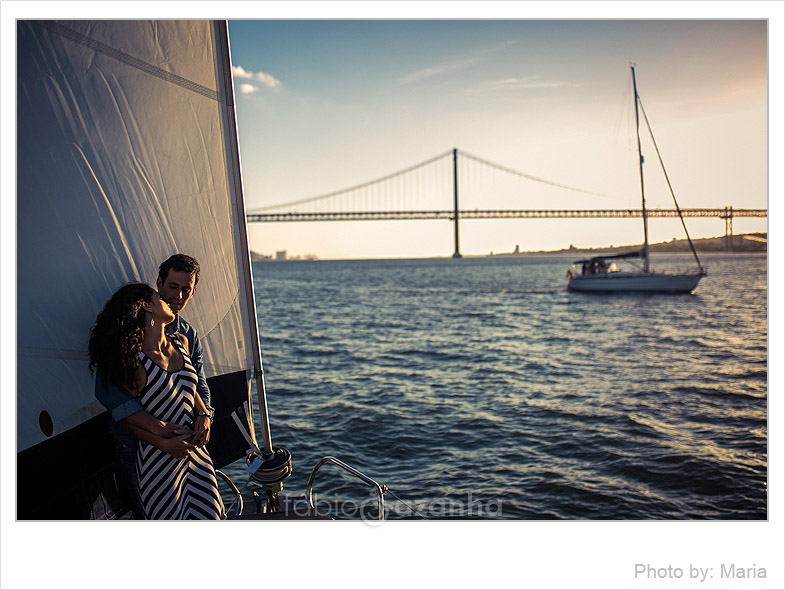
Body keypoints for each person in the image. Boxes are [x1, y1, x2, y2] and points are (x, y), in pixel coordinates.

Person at [89, 282, 223, 519]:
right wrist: (163, 442)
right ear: (149, 307)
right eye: (159, 295)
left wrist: (204, 414)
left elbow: (191, 387)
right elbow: (128, 417)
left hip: (196, 455)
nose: (169, 298)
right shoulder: (134, 360)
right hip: (159, 459)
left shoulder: (182, 341)